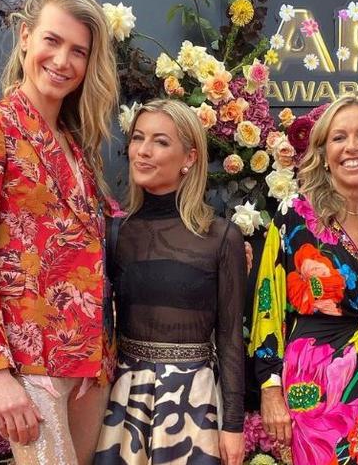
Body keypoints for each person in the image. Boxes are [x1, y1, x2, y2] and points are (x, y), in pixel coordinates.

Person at [0, 0, 119, 464]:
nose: (63, 60)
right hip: (27, 364)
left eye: (78, 51)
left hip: (89, 365)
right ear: (25, 37)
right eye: (52, 40)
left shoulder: (77, 149)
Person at [94, 99, 246, 465]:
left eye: (160, 142)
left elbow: (230, 338)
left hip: (195, 402)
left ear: (189, 158)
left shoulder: (221, 237)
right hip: (124, 400)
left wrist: (234, 425)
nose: (143, 152)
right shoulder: (115, 234)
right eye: (138, 138)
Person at [249, 94, 358, 464]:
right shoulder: (295, 217)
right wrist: (270, 388)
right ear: (324, 152)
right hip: (315, 386)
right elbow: (266, 304)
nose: (352, 147)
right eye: (338, 137)